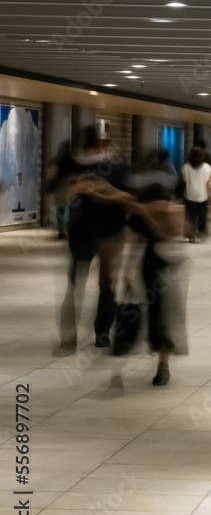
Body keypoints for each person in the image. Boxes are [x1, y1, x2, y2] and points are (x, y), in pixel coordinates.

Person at [59, 126, 132, 352]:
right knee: (77, 283)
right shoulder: (71, 167)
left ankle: (101, 333)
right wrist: (75, 188)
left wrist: (105, 191)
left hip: (109, 233)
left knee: (105, 284)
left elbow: (129, 197)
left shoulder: (117, 169)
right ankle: (73, 336)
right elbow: (57, 194)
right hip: (82, 232)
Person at [124, 148, 188, 386]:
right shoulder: (142, 210)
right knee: (153, 314)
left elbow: (169, 234)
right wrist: (127, 271)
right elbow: (132, 240)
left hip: (167, 264)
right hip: (150, 263)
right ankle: (159, 361)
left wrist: (149, 213)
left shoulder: (168, 208)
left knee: (164, 315)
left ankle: (163, 365)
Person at [182, 146, 211, 242]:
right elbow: (209, 182)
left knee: (190, 216)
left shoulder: (186, 167)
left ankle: (191, 236)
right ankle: (201, 232)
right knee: (202, 215)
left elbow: (185, 180)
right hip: (202, 196)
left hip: (189, 195)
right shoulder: (207, 167)